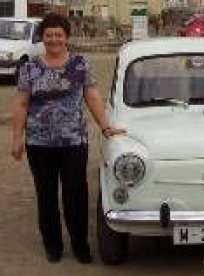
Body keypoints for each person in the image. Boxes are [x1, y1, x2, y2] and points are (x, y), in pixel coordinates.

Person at [11, 13, 123, 263]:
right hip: (39, 144)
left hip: (74, 142)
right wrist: (17, 138)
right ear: (42, 37)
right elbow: (20, 104)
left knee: (75, 193)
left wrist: (106, 128)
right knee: (46, 194)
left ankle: (80, 245)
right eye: (49, 35)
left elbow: (92, 97)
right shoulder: (29, 68)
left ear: (66, 37)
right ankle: (53, 246)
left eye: (58, 35)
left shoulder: (80, 64)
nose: (53, 39)